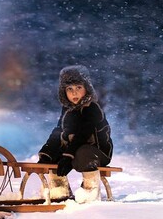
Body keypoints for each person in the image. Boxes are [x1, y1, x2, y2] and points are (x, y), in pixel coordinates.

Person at [38, 65, 113, 203]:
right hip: (75, 150)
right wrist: (47, 154)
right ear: (64, 92)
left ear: (87, 89)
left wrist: (68, 155)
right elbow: (58, 132)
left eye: (79, 87)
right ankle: (59, 189)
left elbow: (83, 134)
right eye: (69, 89)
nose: (74, 93)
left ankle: (90, 190)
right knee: (55, 154)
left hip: (97, 152)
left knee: (83, 152)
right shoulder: (67, 110)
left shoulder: (92, 108)